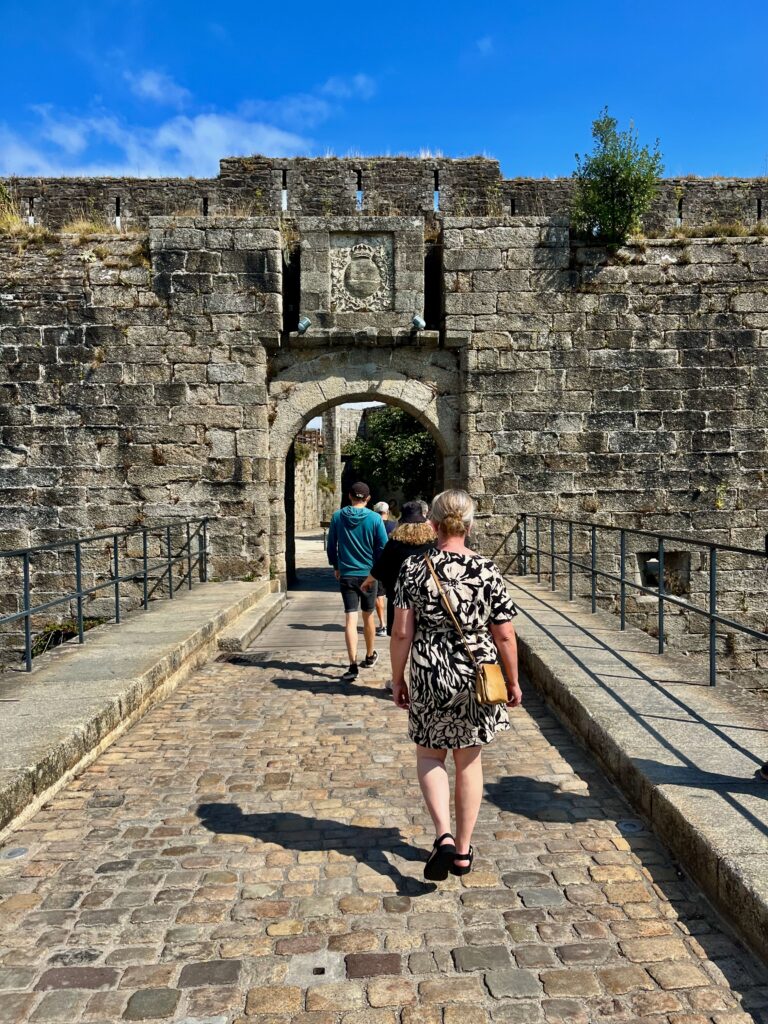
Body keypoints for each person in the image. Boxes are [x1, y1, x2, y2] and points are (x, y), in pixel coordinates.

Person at [389, 488, 522, 880]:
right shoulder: (487, 569)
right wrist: (513, 681)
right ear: (469, 523)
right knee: (469, 760)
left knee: (430, 755)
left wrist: (398, 678)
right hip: (476, 674)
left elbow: (400, 633)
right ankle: (463, 851)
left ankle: (443, 837)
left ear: (432, 523)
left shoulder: (413, 568)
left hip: (430, 670)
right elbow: (505, 634)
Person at [327, 481, 388, 683]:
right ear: (368, 498)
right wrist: (377, 571)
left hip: (347, 573)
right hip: (369, 575)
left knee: (350, 619)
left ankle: (352, 665)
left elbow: (331, 545)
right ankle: (370, 656)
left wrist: (336, 565)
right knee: (368, 616)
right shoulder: (375, 519)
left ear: (349, 496)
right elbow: (383, 547)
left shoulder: (337, 517)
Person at [363, 500, 437, 637]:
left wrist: (368, 580)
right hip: (426, 596)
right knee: (423, 634)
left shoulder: (394, 543)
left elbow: (381, 565)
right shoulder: (433, 543)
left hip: (398, 597)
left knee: (400, 636)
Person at [372, 502, 397, 636]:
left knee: (379, 595)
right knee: (394, 596)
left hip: (378, 564)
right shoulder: (395, 526)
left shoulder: (373, 525)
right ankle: (395, 623)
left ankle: (383, 625)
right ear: (387, 512)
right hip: (393, 565)